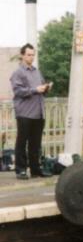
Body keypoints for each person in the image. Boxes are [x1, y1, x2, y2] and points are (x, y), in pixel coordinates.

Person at [9, 43, 52, 180]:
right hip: (25, 113)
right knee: (22, 142)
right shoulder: (18, 73)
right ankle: (20, 170)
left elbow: (41, 89)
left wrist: (46, 88)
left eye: (33, 55)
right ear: (22, 55)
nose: (31, 57)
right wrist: (35, 90)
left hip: (38, 113)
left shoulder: (37, 71)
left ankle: (35, 170)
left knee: (35, 143)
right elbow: (18, 91)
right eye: (28, 55)